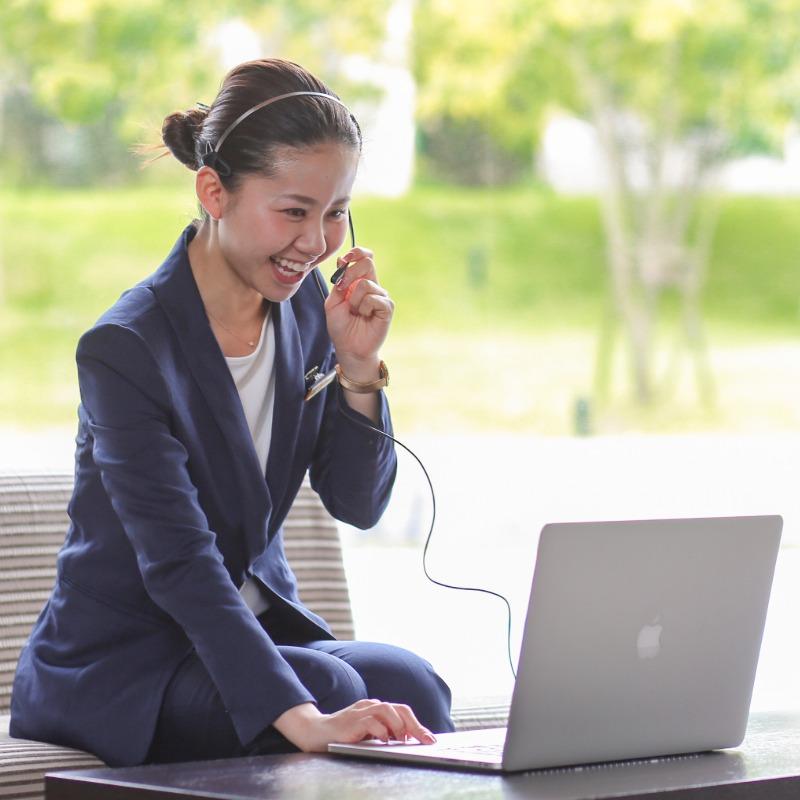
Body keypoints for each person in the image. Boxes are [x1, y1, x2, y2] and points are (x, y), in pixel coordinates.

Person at [9, 57, 453, 767]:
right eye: (294, 211)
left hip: (246, 643)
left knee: (412, 683)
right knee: (329, 687)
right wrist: (300, 715)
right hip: (126, 667)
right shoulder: (126, 349)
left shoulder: (310, 308)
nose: (316, 244)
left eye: (336, 212)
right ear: (214, 192)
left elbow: (359, 503)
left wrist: (360, 371)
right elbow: (180, 561)